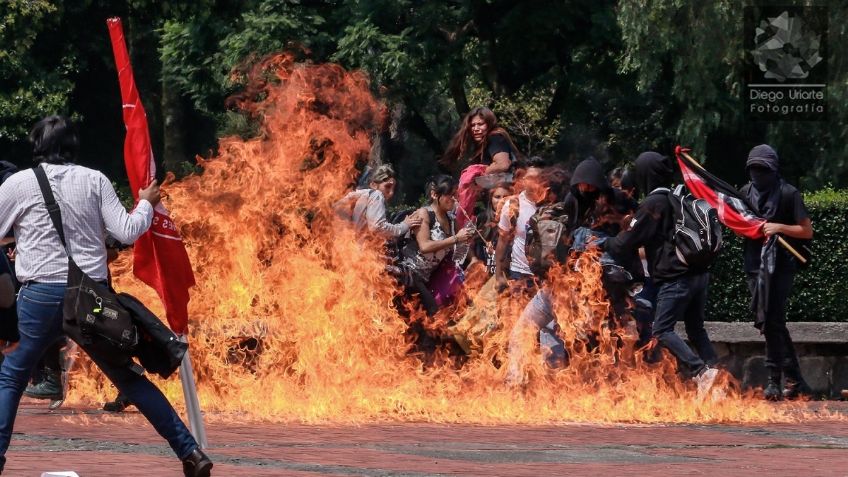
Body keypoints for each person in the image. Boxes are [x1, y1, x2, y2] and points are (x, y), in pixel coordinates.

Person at [0, 116, 212, 476]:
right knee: (128, 378)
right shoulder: (95, 179)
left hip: (39, 296)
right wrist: (145, 203)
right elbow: (126, 232)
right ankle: (190, 453)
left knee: (10, 379)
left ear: (38, 145)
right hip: (91, 299)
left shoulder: (18, 184)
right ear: (73, 145)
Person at [603, 152, 719, 397]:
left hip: (676, 278)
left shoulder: (654, 202)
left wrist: (605, 243)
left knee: (662, 330)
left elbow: (626, 242)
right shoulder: (678, 197)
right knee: (696, 328)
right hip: (699, 274)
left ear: (645, 176)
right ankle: (715, 373)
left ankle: (700, 371)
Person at [741, 144, 814, 400]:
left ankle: (775, 379)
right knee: (772, 324)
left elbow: (806, 231)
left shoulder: (788, 193)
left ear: (773, 169)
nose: (758, 175)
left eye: (763, 169)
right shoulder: (744, 193)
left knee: (772, 320)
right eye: (754, 169)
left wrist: (778, 227)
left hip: (781, 266)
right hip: (754, 266)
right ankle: (796, 380)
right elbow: (738, 225)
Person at [400, 175, 474, 317]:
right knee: (432, 313)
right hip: (410, 274)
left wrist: (474, 258)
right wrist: (455, 239)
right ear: (435, 195)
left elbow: (463, 243)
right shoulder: (425, 213)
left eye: (455, 195)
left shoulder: (452, 221)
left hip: (429, 278)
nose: (454, 199)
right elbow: (425, 246)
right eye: (449, 195)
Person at [441, 107, 521, 229]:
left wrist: (476, 173)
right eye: (473, 125)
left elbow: (503, 164)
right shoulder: (486, 142)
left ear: (489, 124)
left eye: (480, 124)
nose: (476, 129)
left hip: (507, 199)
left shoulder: (495, 137)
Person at [494, 157, 547, 295]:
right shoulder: (513, 205)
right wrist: (498, 275)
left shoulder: (552, 204)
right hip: (520, 275)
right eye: (530, 178)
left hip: (547, 277)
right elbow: (502, 240)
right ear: (523, 180)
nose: (534, 182)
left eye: (539, 178)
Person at [334, 164, 421, 239]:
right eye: (387, 186)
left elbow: (336, 208)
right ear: (373, 185)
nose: (391, 193)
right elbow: (378, 227)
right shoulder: (377, 195)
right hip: (364, 252)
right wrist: (404, 226)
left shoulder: (361, 196)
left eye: (393, 188)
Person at [468, 182, 512, 275]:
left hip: (509, 276)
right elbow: (467, 243)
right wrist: (473, 258)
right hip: (484, 276)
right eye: (497, 197)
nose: (502, 200)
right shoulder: (481, 219)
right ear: (490, 199)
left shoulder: (517, 221)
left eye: (506, 197)